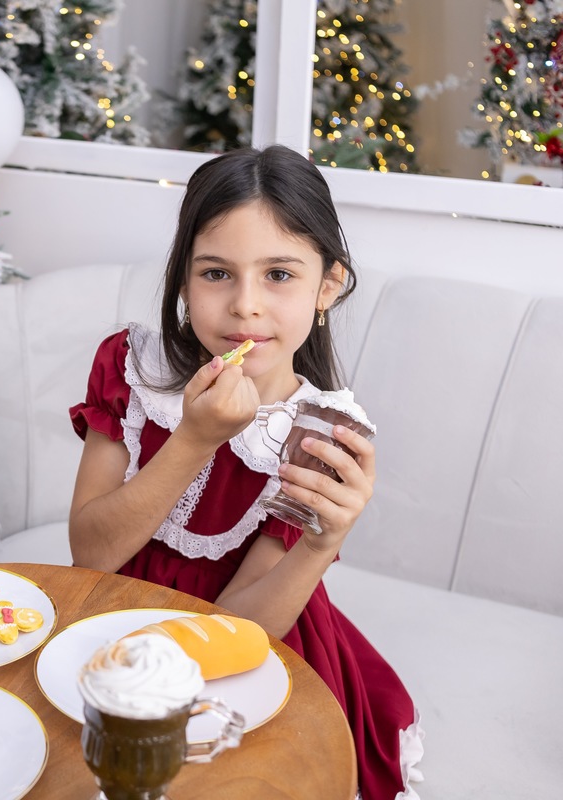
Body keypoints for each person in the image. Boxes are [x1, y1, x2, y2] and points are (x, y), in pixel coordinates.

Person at [68, 146, 423, 799]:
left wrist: (319, 544)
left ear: (327, 286)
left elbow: (239, 630)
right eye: (216, 274)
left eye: (279, 274)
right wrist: (193, 440)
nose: (245, 306)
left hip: (249, 642)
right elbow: (91, 554)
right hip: (118, 615)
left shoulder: (323, 436)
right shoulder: (131, 367)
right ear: (182, 281)